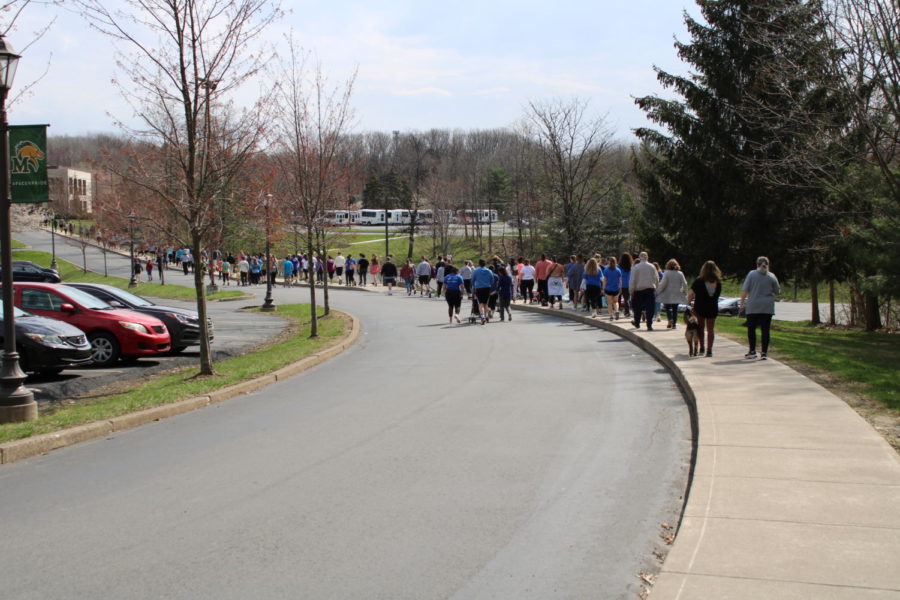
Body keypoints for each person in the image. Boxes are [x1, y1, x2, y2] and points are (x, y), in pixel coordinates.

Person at [740, 256, 780, 360]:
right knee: (765, 330)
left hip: (753, 305)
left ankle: (752, 351)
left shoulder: (751, 274)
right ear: (768, 265)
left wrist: (742, 303)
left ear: (757, 264)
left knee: (751, 328)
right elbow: (777, 292)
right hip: (767, 306)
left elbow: (745, 290)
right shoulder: (772, 276)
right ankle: (764, 353)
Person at [687, 260, 722, 357]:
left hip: (700, 307)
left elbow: (690, 294)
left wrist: (688, 303)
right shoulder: (718, 282)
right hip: (712, 307)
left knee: (701, 328)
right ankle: (709, 350)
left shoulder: (699, 280)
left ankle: (701, 347)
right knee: (711, 329)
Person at [656, 259, 688, 330]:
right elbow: (685, 283)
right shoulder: (680, 273)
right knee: (675, 309)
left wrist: (658, 291)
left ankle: (670, 319)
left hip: (668, 293)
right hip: (677, 293)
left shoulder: (666, 273)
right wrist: (684, 291)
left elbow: (663, 284)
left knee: (668, 307)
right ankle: (674, 324)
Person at [630, 251, 659, 330]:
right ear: (647, 257)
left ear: (640, 258)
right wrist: (656, 287)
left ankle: (637, 323)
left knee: (638, 307)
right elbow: (656, 278)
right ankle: (649, 324)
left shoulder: (636, 267)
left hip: (639, 289)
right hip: (650, 289)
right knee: (650, 308)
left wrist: (631, 290)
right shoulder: (652, 266)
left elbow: (632, 280)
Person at [471, 259, 494, 324]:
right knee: (486, 303)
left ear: (479, 264)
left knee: (480, 303)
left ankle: (482, 316)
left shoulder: (476, 271)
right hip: (487, 288)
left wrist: (473, 286)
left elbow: (472, 280)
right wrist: (489, 284)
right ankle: (486, 316)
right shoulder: (489, 271)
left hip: (479, 288)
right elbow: (492, 280)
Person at [619, 252, 633, 317]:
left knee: (621, 298)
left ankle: (625, 311)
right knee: (627, 298)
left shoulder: (619, 266)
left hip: (621, 284)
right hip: (629, 284)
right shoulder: (631, 266)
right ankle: (627, 310)